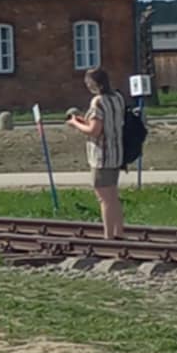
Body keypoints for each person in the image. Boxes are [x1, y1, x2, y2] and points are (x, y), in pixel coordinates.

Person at [65, 66, 127, 240]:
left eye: (89, 82)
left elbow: (94, 131)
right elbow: (105, 123)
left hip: (101, 156)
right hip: (116, 153)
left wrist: (75, 124)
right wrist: (83, 121)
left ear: (96, 84)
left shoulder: (98, 102)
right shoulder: (117, 98)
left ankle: (108, 236)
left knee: (104, 198)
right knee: (113, 196)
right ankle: (119, 233)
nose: (87, 85)